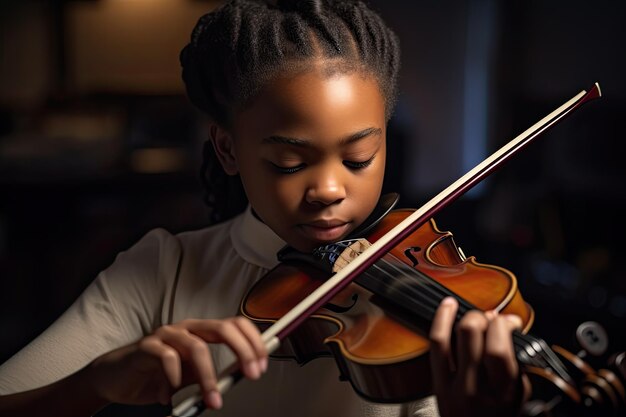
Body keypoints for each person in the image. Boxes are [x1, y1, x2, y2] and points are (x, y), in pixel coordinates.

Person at [0, 1, 527, 416]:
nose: (327, 189)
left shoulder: (428, 300)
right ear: (228, 150)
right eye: (288, 162)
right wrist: (93, 384)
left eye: (359, 157)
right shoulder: (165, 270)